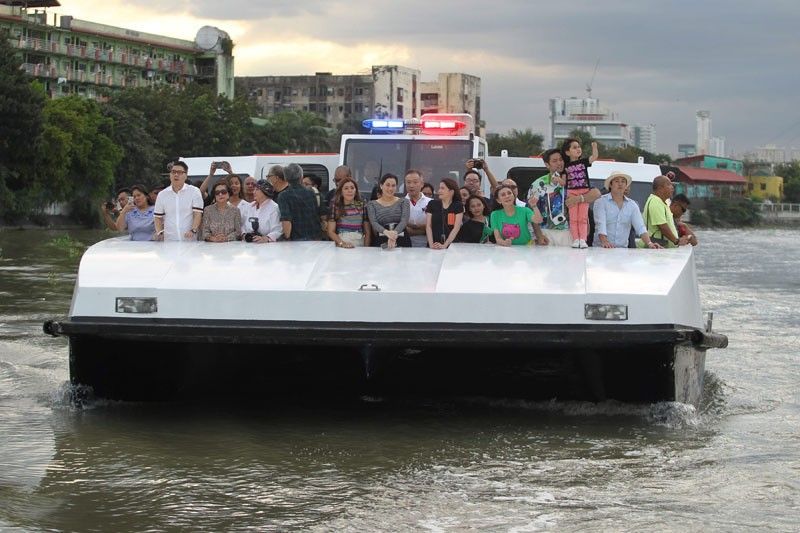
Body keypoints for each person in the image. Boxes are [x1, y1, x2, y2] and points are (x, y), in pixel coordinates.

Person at [527, 148, 602, 247]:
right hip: (546, 233)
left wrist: (578, 198)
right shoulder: (538, 184)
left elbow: (596, 193)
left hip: (570, 233)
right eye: (554, 161)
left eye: (561, 159)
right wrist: (539, 235)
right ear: (547, 164)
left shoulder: (573, 179)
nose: (559, 163)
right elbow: (530, 212)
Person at [593, 172, 661, 249]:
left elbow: (640, 227)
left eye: (623, 181)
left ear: (626, 186)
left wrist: (649, 243)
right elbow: (600, 224)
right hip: (600, 249)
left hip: (622, 250)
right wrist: (605, 242)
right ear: (610, 185)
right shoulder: (601, 202)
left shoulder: (632, 205)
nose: (620, 184)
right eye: (617, 181)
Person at [561, 137, 599, 248]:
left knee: (582, 217)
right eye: (574, 147)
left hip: (584, 191)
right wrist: (558, 180)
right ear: (567, 152)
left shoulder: (584, 162)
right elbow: (564, 182)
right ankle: (575, 239)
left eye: (579, 147)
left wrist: (594, 147)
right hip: (571, 192)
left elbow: (594, 157)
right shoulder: (566, 167)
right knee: (573, 218)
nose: (578, 149)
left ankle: (582, 239)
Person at [153, 161, 203, 241]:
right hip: (169, 241)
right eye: (173, 172)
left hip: (189, 240)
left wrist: (193, 230)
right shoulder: (162, 194)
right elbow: (157, 217)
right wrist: (160, 232)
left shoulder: (194, 191)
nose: (176, 175)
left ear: (186, 175)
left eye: (179, 172)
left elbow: (197, 214)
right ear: (170, 175)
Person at [642, 176, 690, 248]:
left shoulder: (662, 203)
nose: (672, 187)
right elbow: (662, 226)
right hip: (657, 248)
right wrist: (677, 241)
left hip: (663, 249)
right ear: (660, 188)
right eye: (669, 184)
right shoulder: (655, 201)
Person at [277, 163, 320, 241]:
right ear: (301, 177)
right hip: (314, 238)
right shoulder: (311, 192)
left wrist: (287, 237)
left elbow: (286, 220)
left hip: (296, 240)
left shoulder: (283, 196)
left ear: (286, 179)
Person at [367, 173, 411, 249]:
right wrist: (387, 233)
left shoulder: (404, 202)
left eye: (393, 185)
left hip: (402, 238)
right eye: (387, 185)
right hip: (382, 238)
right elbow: (374, 222)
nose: (390, 188)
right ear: (381, 186)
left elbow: (404, 220)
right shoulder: (372, 204)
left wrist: (393, 234)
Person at [326, 178, 371, 248]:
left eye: (352, 188)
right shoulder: (335, 205)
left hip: (359, 243)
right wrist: (342, 243)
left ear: (355, 191)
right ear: (341, 192)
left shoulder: (362, 204)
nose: (349, 190)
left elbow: (367, 232)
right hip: (341, 243)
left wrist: (366, 249)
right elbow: (330, 231)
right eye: (346, 188)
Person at [425, 178, 463, 249]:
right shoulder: (432, 204)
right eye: (439, 188)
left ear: (451, 192)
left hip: (451, 247)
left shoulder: (458, 205)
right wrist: (431, 245)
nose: (439, 191)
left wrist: (445, 245)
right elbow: (428, 226)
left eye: (442, 188)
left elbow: (456, 228)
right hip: (433, 245)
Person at [403, 169, 431, 247]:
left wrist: (411, 227)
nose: (411, 185)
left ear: (422, 184)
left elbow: (433, 226)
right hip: (405, 246)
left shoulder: (431, 203)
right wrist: (423, 230)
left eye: (415, 182)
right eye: (408, 182)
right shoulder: (399, 203)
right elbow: (402, 228)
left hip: (427, 246)